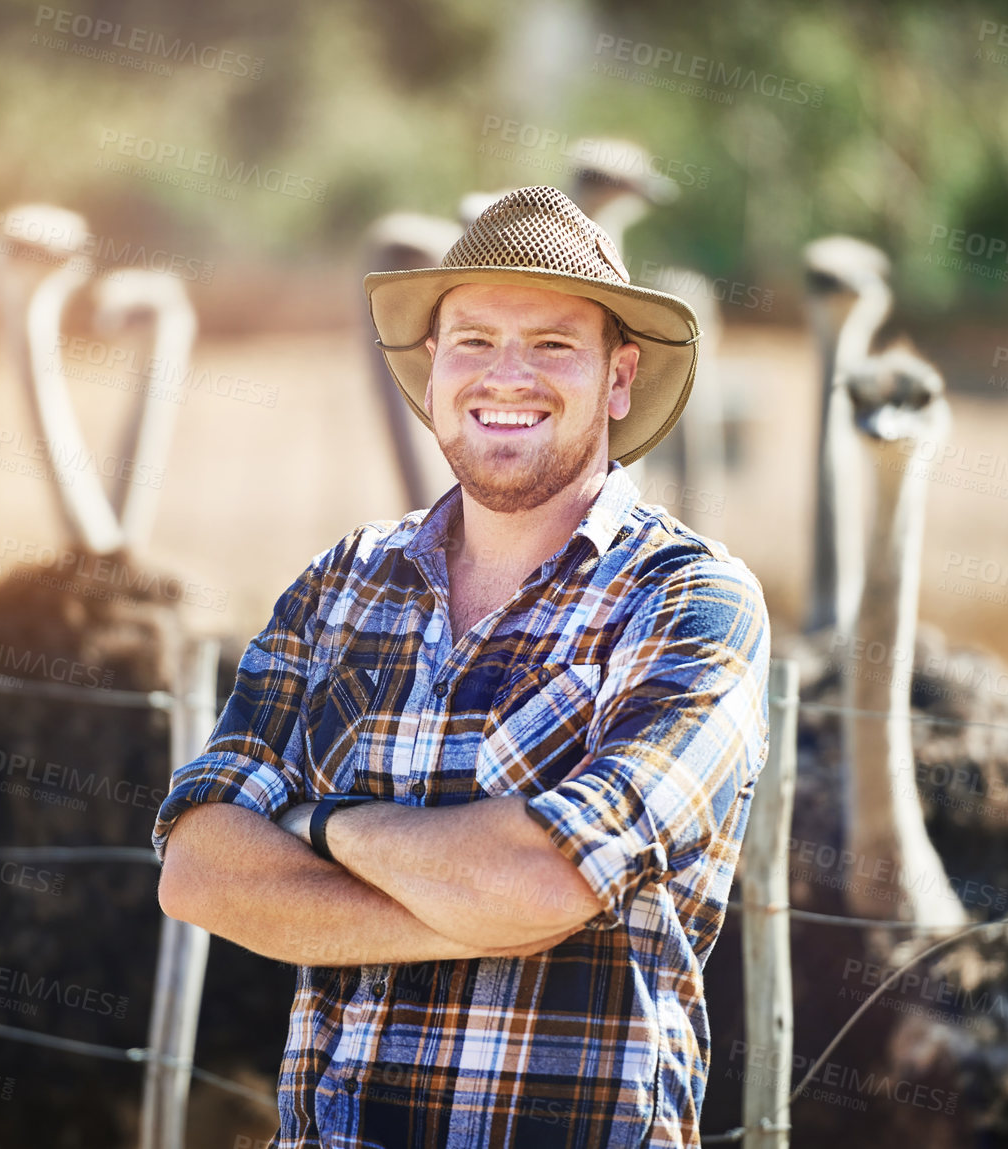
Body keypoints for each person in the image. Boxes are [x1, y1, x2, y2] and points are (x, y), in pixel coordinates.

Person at [154, 185, 770, 1148]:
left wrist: (317, 823)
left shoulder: (688, 600)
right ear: (433, 372)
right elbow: (197, 870)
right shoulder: (341, 585)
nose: (507, 374)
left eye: (553, 345)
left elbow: (540, 886)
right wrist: (476, 904)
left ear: (618, 379)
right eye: (473, 341)